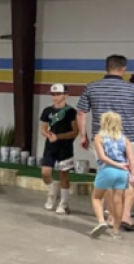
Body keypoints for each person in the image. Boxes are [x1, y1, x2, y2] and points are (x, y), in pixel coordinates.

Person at [77, 55, 134, 231]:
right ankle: (125, 216)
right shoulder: (131, 89)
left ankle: (111, 217)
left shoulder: (92, 87)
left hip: (101, 139)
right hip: (129, 138)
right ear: (123, 69)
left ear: (106, 67)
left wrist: (83, 135)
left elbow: (81, 113)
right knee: (129, 175)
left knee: (108, 175)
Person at [90, 112, 134, 239]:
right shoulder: (125, 139)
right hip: (123, 173)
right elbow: (131, 159)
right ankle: (116, 231)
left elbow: (102, 158)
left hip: (107, 170)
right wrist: (132, 174)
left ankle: (101, 221)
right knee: (118, 202)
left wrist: (116, 164)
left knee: (96, 197)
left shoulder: (99, 137)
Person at [39, 84, 78, 214]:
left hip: (65, 147)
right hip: (50, 146)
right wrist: (48, 134)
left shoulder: (71, 112)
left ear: (66, 95)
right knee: (45, 172)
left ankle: (64, 203)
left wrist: (59, 137)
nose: (55, 97)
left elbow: (75, 132)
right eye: (53, 94)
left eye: (58, 94)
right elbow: (43, 128)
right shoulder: (47, 111)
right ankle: (51, 193)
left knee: (63, 174)